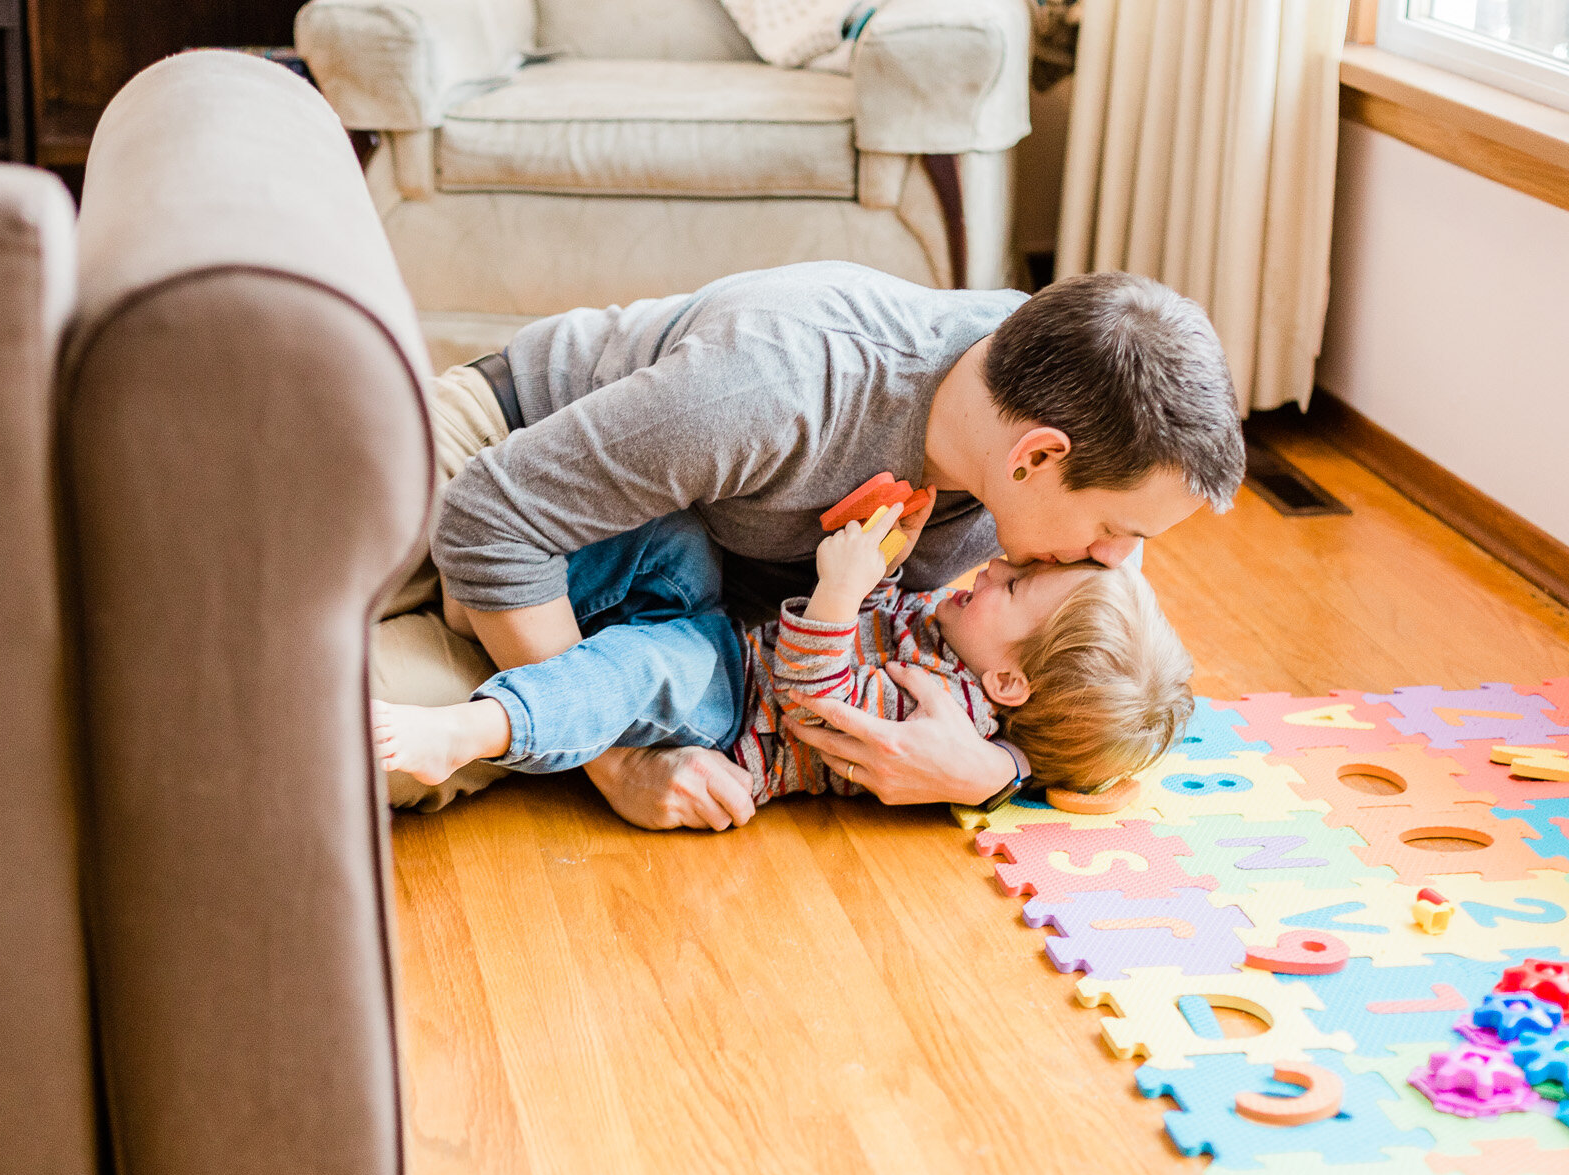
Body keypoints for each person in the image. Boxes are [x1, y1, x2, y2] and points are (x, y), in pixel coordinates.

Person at [400, 263, 1244, 828]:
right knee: (333, 743)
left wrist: (993, 770)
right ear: (1037, 457)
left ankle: (497, 665)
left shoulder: (1027, 465)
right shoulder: (778, 386)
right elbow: (491, 518)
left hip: (668, 582)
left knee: (367, 724)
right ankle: (479, 646)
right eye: (1115, 532)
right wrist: (621, 767)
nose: (1116, 563)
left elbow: (1073, 690)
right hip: (497, 467)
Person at [375, 501, 1195, 806]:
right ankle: (495, 587)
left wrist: (839, 595)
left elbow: (816, 700)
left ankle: (472, 730)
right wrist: (885, 562)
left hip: (733, 718)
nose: (992, 571)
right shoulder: (959, 637)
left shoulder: (948, 716)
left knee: (635, 665)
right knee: (680, 541)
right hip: (732, 645)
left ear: (1008, 680)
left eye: (1010, 588)